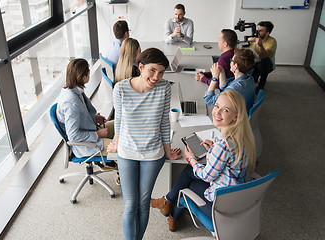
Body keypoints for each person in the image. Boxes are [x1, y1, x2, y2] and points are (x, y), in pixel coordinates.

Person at [151, 90, 256, 231]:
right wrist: (213, 149)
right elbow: (228, 158)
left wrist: (192, 159)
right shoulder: (241, 136)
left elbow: (207, 175)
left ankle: (172, 214)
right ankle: (168, 202)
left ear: (235, 117)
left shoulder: (223, 144)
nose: (217, 112)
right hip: (236, 196)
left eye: (225, 110)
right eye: (217, 106)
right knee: (190, 172)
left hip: (222, 208)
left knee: (188, 185)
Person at [107, 48, 183, 240]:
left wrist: (168, 151)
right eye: (152, 70)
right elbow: (119, 120)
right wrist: (116, 143)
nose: (157, 76)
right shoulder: (121, 88)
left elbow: (164, 123)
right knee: (130, 204)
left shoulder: (164, 87)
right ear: (140, 67)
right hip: (127, 152)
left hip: (153, 154)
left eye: (161, 72)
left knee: (143, 202)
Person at [56, 58, 118, 176]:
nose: (89, 73)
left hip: (91, 128)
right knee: (120, 148)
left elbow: (80, 115)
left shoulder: (74, 89)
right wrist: (97, 134)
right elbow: (73, 136)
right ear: (84, 77)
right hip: (85, 144)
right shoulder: (70, 102)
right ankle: (122, 176)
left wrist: (94, 118)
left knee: (119, 124)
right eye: (88, 72)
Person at [204, 48, 256, 113]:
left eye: (231, 60)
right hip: (243, 111)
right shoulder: (249, 78)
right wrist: (222, 72)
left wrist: (214, 78)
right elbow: (224, 87)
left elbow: (208, 100)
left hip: (237, 117)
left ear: (235, 66)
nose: (230, 62)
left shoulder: (235, 88)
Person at [249, 21, 277, 92]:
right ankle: (254, 76)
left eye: (261, 31)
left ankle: (261, 84)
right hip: (255, 62)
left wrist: (260, 45)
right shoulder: (252, 39)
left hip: (267, 64)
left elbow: (264, 56)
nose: (258, 32)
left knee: (264, 62)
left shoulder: (272, 41)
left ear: (267, 33)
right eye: (258, 30)